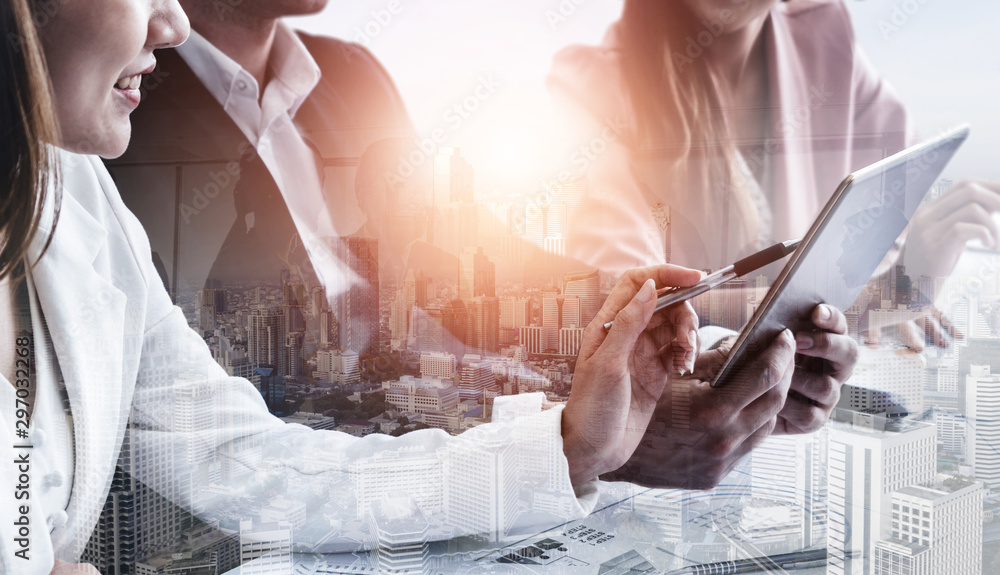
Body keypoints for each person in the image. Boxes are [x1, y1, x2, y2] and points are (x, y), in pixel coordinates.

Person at [0, 1, 800, 573]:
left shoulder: (80, 188)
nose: (165, 22)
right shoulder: (116, 124)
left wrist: (583, 429)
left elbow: (460, 265)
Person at [549, 0, 1000, 348]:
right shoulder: (591, 86)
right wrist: (873, 300)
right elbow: (630, 304)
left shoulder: (823, 30)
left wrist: (882, 282)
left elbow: (895, 178)